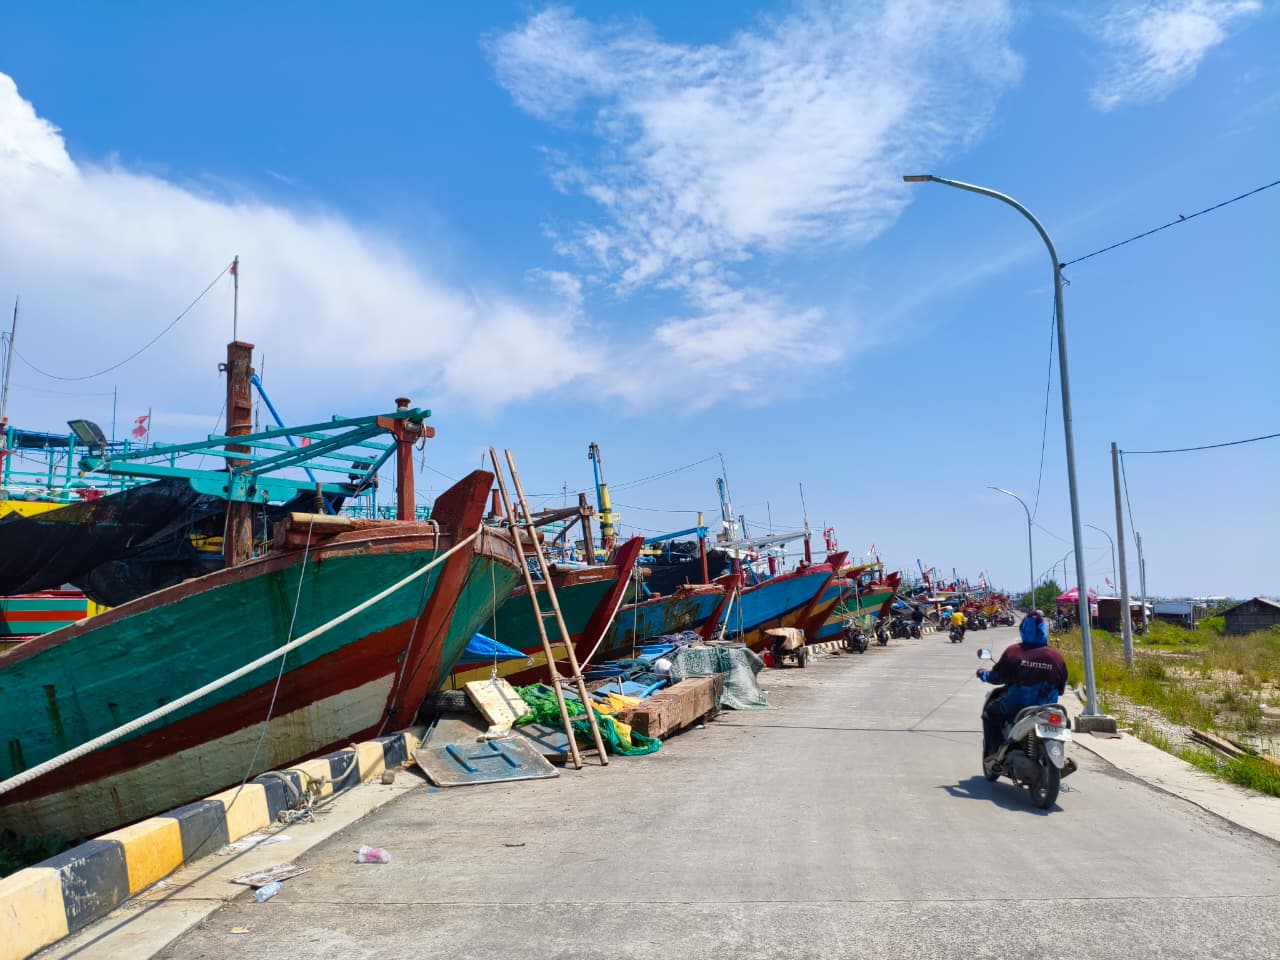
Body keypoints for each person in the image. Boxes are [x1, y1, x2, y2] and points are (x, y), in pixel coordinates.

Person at [975, 610, 1067, 761]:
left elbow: (997, 677)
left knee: (990, 714)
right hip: (1048, 707)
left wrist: (983, 674)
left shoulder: (1015, 652)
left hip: (1017, 705)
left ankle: (992, 753)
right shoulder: (1056, 656)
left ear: (1023, 629)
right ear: (1043, 630)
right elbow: (1061, 688)